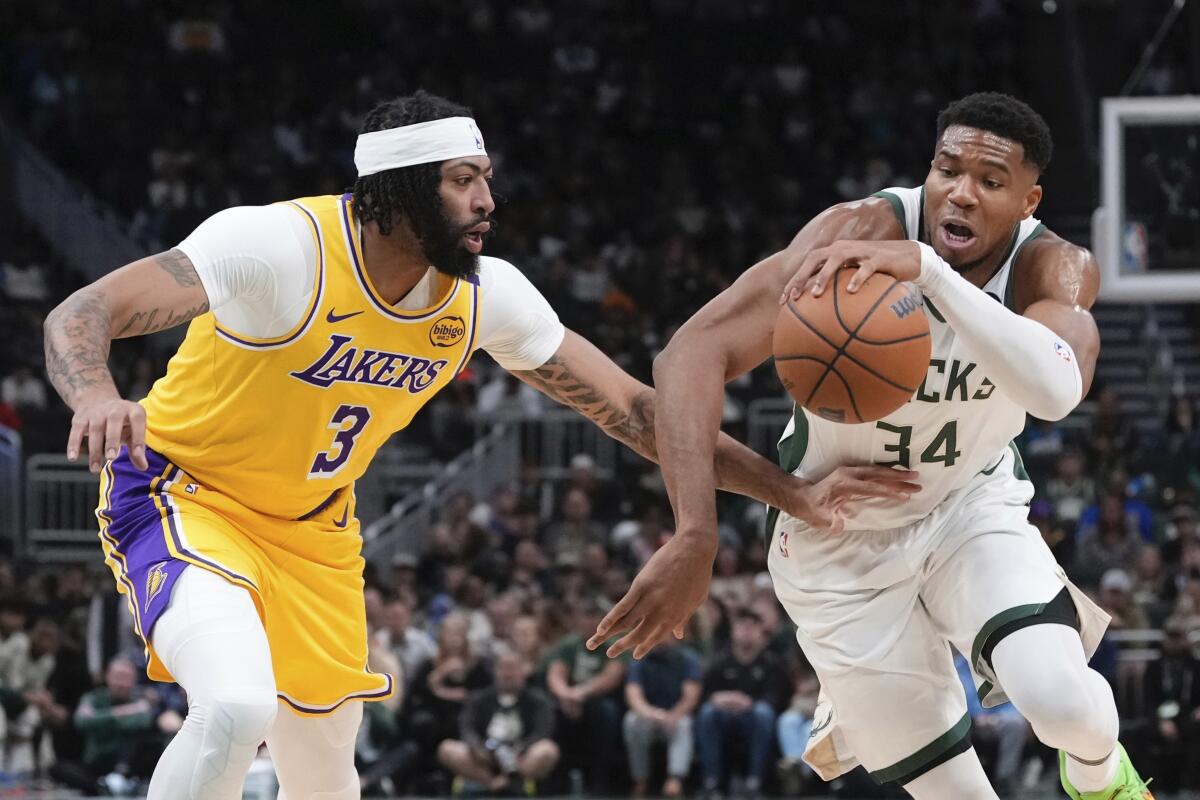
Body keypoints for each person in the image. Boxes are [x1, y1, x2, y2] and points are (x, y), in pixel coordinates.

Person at [43, 90, 906, 799]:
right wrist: (95, 393)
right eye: (462, 181)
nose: (487, 201)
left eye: (485, 179)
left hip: (313, 531)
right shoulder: (278, 246)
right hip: (183, 493)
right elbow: (82, 312)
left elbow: (642, 416)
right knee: (233, 707)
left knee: (326, 777)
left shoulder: (485, 297)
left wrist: (792, 492)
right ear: (398, 189)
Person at [592, 93, 1154, 799]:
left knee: (1068, 707)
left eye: (990, 181)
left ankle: (1109, 783)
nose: (961, 193)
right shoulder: (854, 233)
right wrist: (695, 532)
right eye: (948, 170)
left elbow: (1053, 393)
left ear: (1027, 199)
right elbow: (688, 357)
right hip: (834, 539)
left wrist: (927, 272)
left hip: (967, 508)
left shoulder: (1052, 268)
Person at [695, 607, 790, 800]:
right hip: (723, 715)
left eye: (751, 627)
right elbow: (705, 693)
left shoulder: (772, 662)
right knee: (706, 713)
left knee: (763, 713)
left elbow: (777, 698)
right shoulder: (719, 660)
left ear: (760, 632)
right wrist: (718, 698)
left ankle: (755, 781)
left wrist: (750, 702)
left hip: (753, 717)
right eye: (741, 626)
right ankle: (711, 781)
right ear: (732, 631)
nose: (746, 631)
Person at [437, 647, 559, 795]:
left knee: (547, 750)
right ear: (495, 671)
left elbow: (543, 731)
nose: (507, 674)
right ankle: (490, 782)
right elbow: (466, 727)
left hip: (521, 756)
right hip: (484, 757)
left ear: (522, 672)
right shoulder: (479, 699)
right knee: (448, 749)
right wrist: (477, 747)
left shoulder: (538, 700)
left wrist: (521, 748)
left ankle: (511, 780)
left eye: (512, 668)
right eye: (503, 668)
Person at [545, 597, 627, 794]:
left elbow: (611, 678)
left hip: (600, 699)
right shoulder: (569, 644)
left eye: (595, 617)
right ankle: (556, 779)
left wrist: (580, 693)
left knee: (606, 711)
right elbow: (555, 674)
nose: (590, 622)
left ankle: (599, 780)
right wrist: (566, 695)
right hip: (569, 699)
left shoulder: (614, 644)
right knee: (551, 711)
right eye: (585, 617)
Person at [623, 636, 702, 798]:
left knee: (683, 725)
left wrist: (674, 715)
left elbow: (691, 695)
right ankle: (640, 778)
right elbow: (633, 694)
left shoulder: (688, 658)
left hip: (676, 714)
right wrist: (650, 713)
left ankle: (675, 778)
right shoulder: (639, 656)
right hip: (649, 715)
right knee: (631, 721)